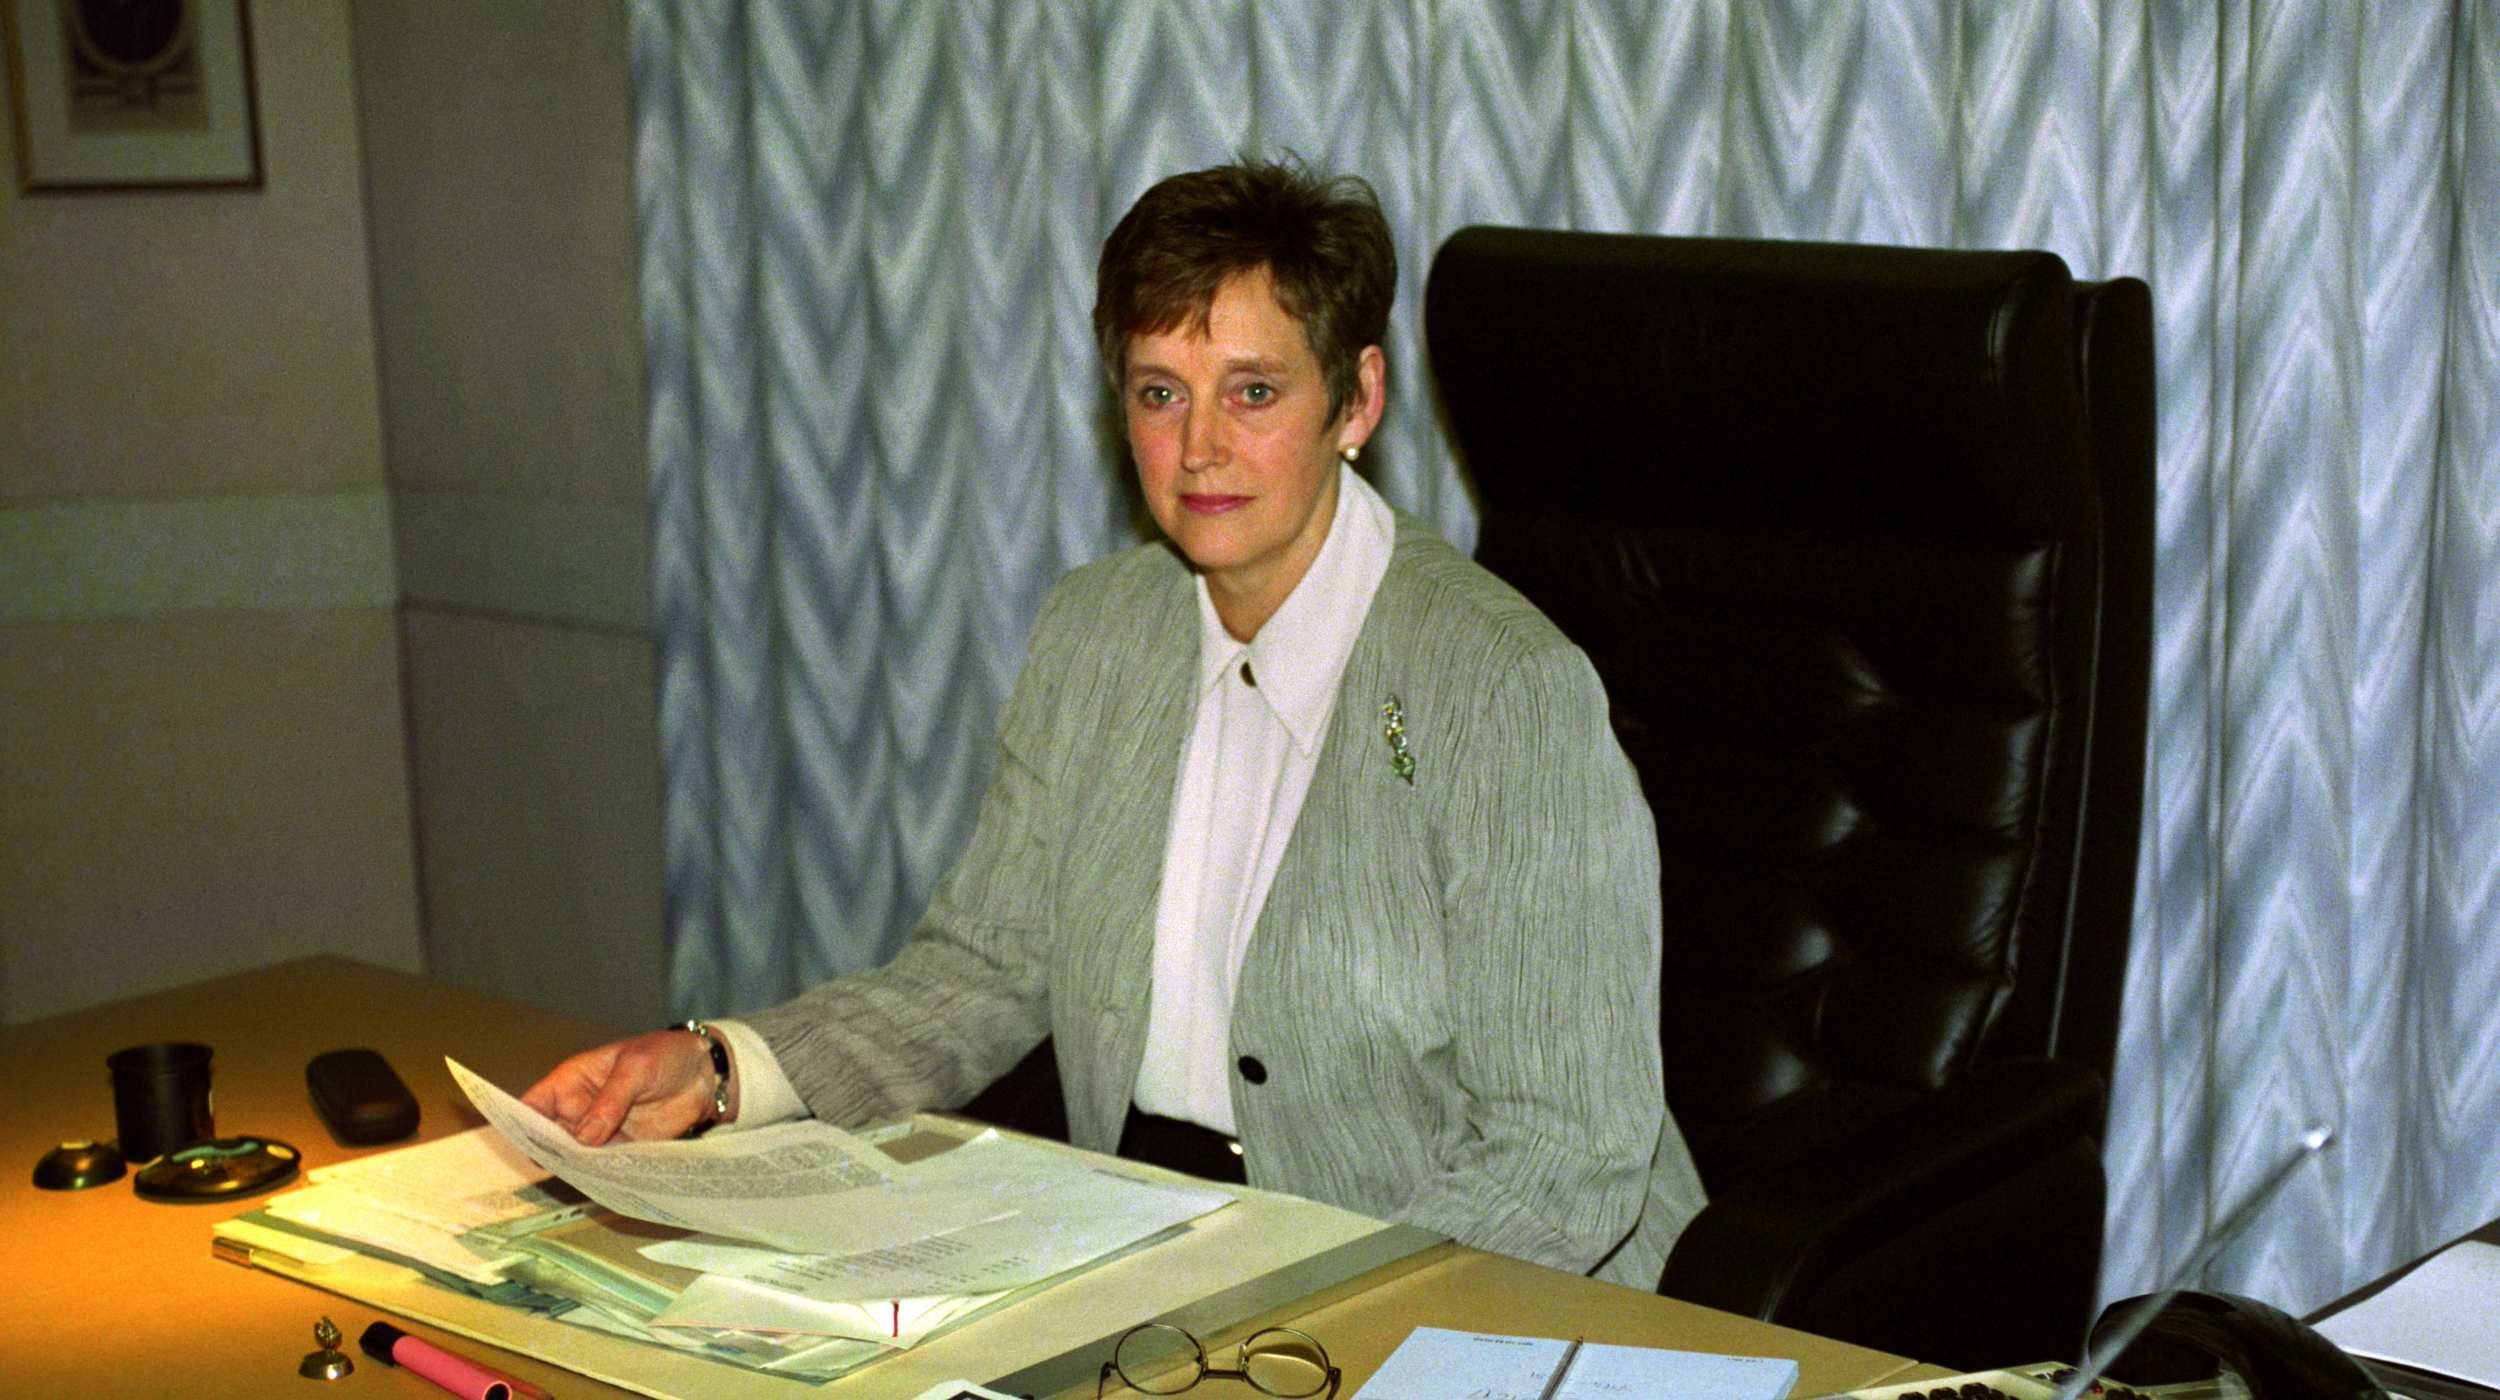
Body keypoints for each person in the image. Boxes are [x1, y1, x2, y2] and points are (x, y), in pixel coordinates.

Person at [524, 157, 1705, 1287]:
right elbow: (983, 971)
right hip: (1153, 1253)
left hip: (1460, 1293)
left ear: (1357, 398)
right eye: (1159, 393)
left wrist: (1305, 1320)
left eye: (1253, 391)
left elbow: (1567, 1155)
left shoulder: (1503, 687)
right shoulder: (1097, 631)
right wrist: (723, 1066)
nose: (1199, 447)